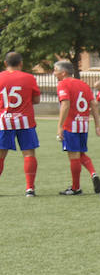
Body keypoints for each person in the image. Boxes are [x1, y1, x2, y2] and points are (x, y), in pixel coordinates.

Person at [54, 61, 100, 196]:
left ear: (63, 72)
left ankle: (76, 188)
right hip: (83, 125)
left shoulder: (62, 84)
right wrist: (97, 125)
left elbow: (65, 105)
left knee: (73, 156)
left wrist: (60, 126)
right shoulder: (83, 84)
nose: (54, 73)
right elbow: (94, 104)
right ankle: (93, 173)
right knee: (80, 154)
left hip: (71, 125)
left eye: (55, 71)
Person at [0, 51, 42, 196]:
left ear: (5, 63)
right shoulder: (29, 78)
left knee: (1, 155)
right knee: (29, 153)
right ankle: (30, 188)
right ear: (21, 63)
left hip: (4, 121)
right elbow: (36, 100)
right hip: (25, 121)